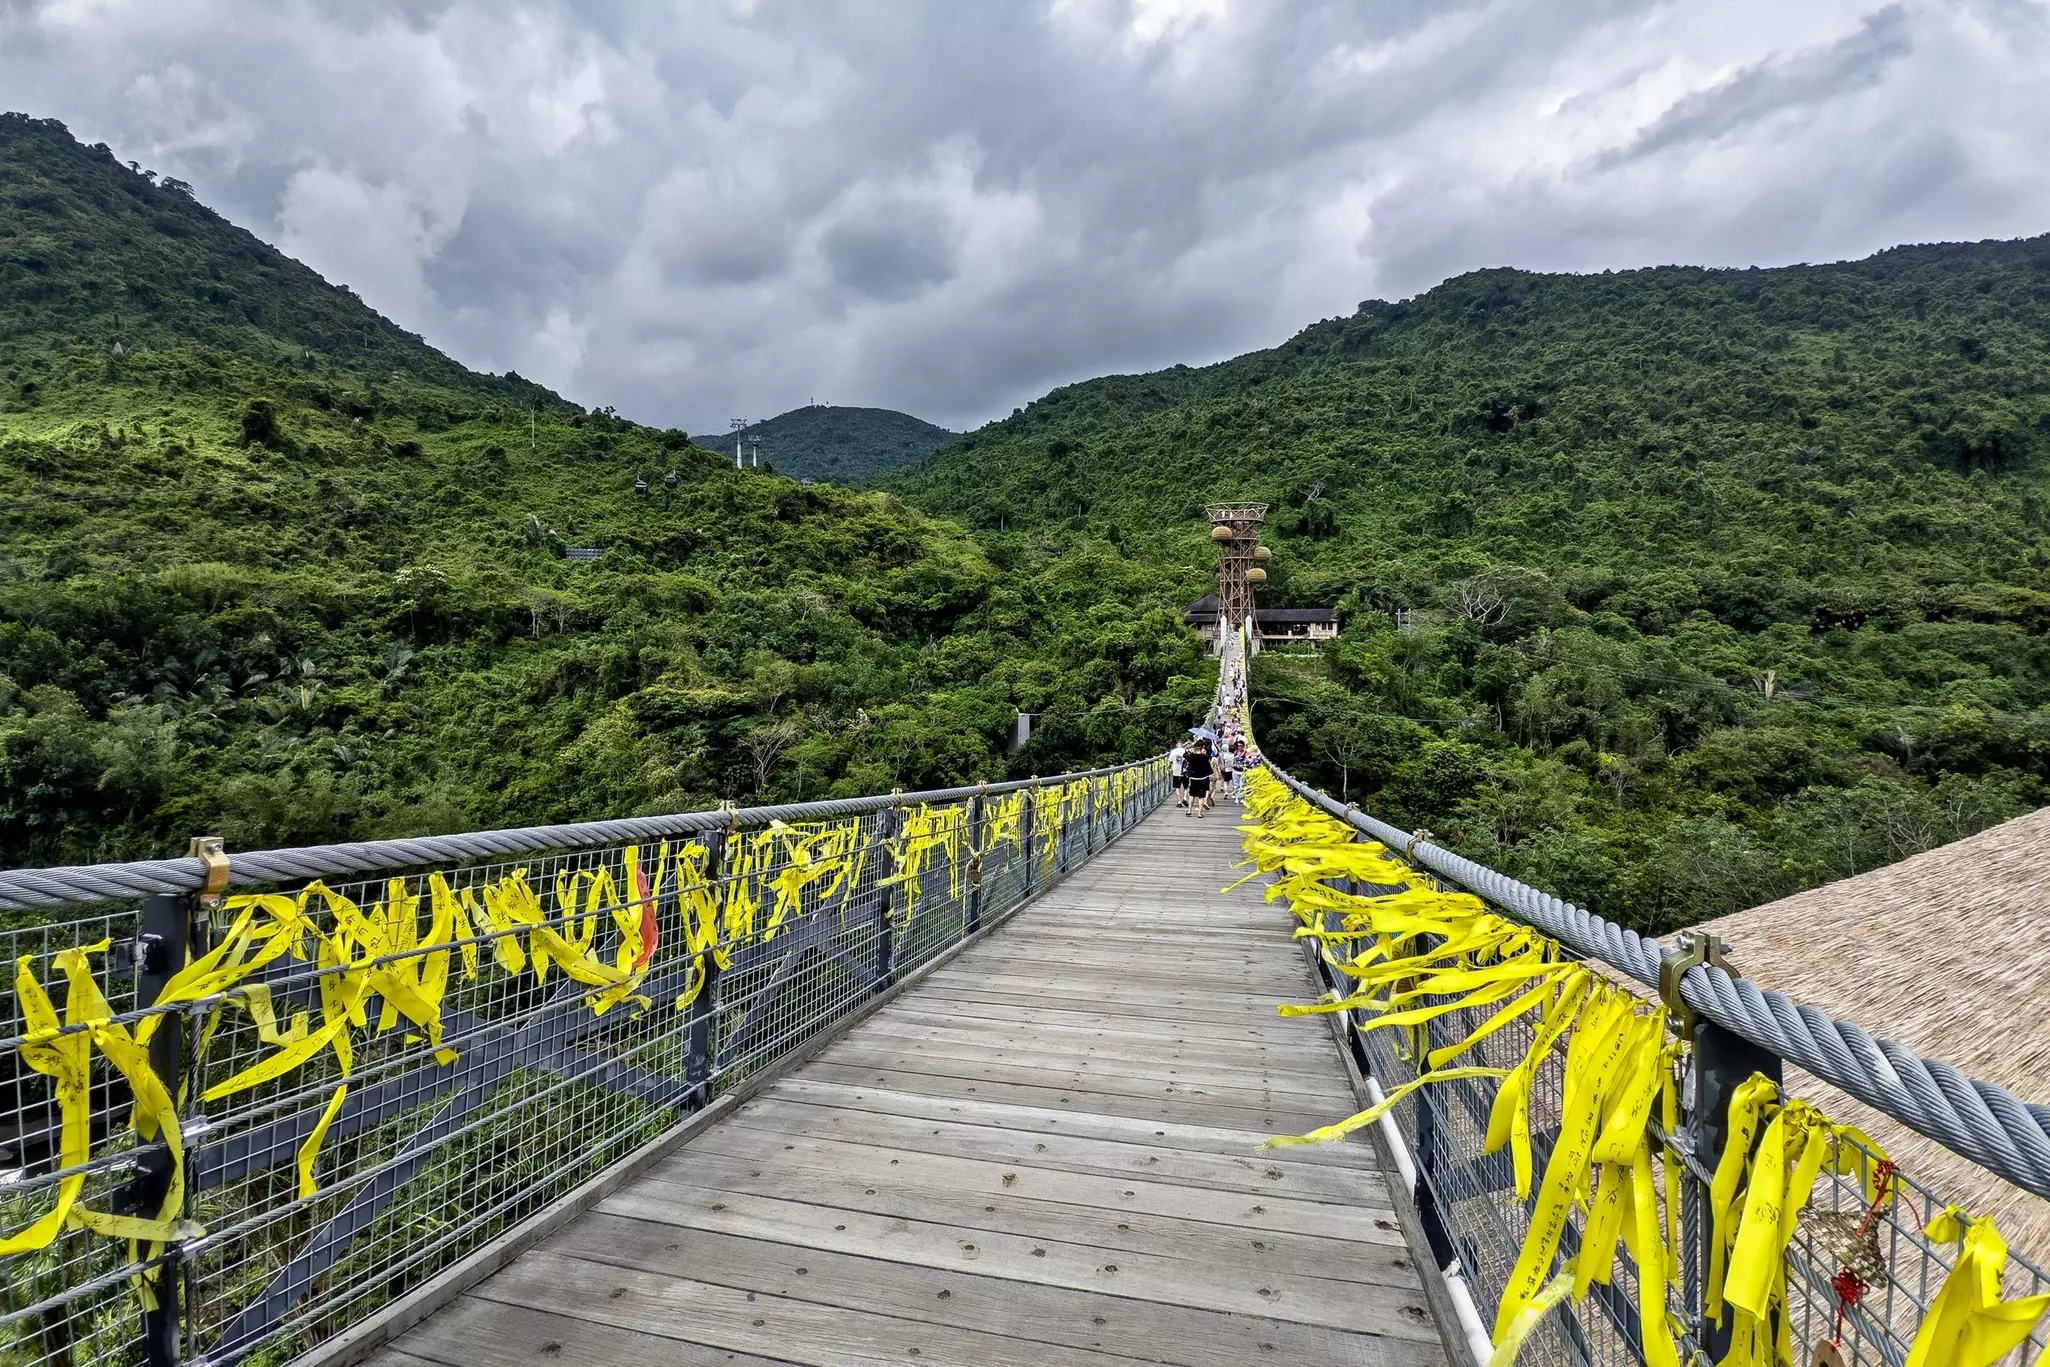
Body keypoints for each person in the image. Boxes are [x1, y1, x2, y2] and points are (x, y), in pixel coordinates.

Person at [1184, 740, 1214, 817]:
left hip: (1194, 778)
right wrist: (1206, 750)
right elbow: (1210, 752)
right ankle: (1199, 813)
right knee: (1201, 797)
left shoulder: (1191, 757)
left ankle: (1189, 810)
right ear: (1202, 748)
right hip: (1203, 778)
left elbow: (1184, 755)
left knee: (1192, 795)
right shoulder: (1205, 757)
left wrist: (1189, 751)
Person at [1170, 739, 1190, 808]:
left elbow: (1170, 761)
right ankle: (1184, 798)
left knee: (1177, 787)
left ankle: (1179, 802)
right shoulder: (1185, 750)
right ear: (1182, 744)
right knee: (1186, 786)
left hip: (1176, 772)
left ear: (1176, 745)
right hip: (1184, 772)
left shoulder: (1173, 751)